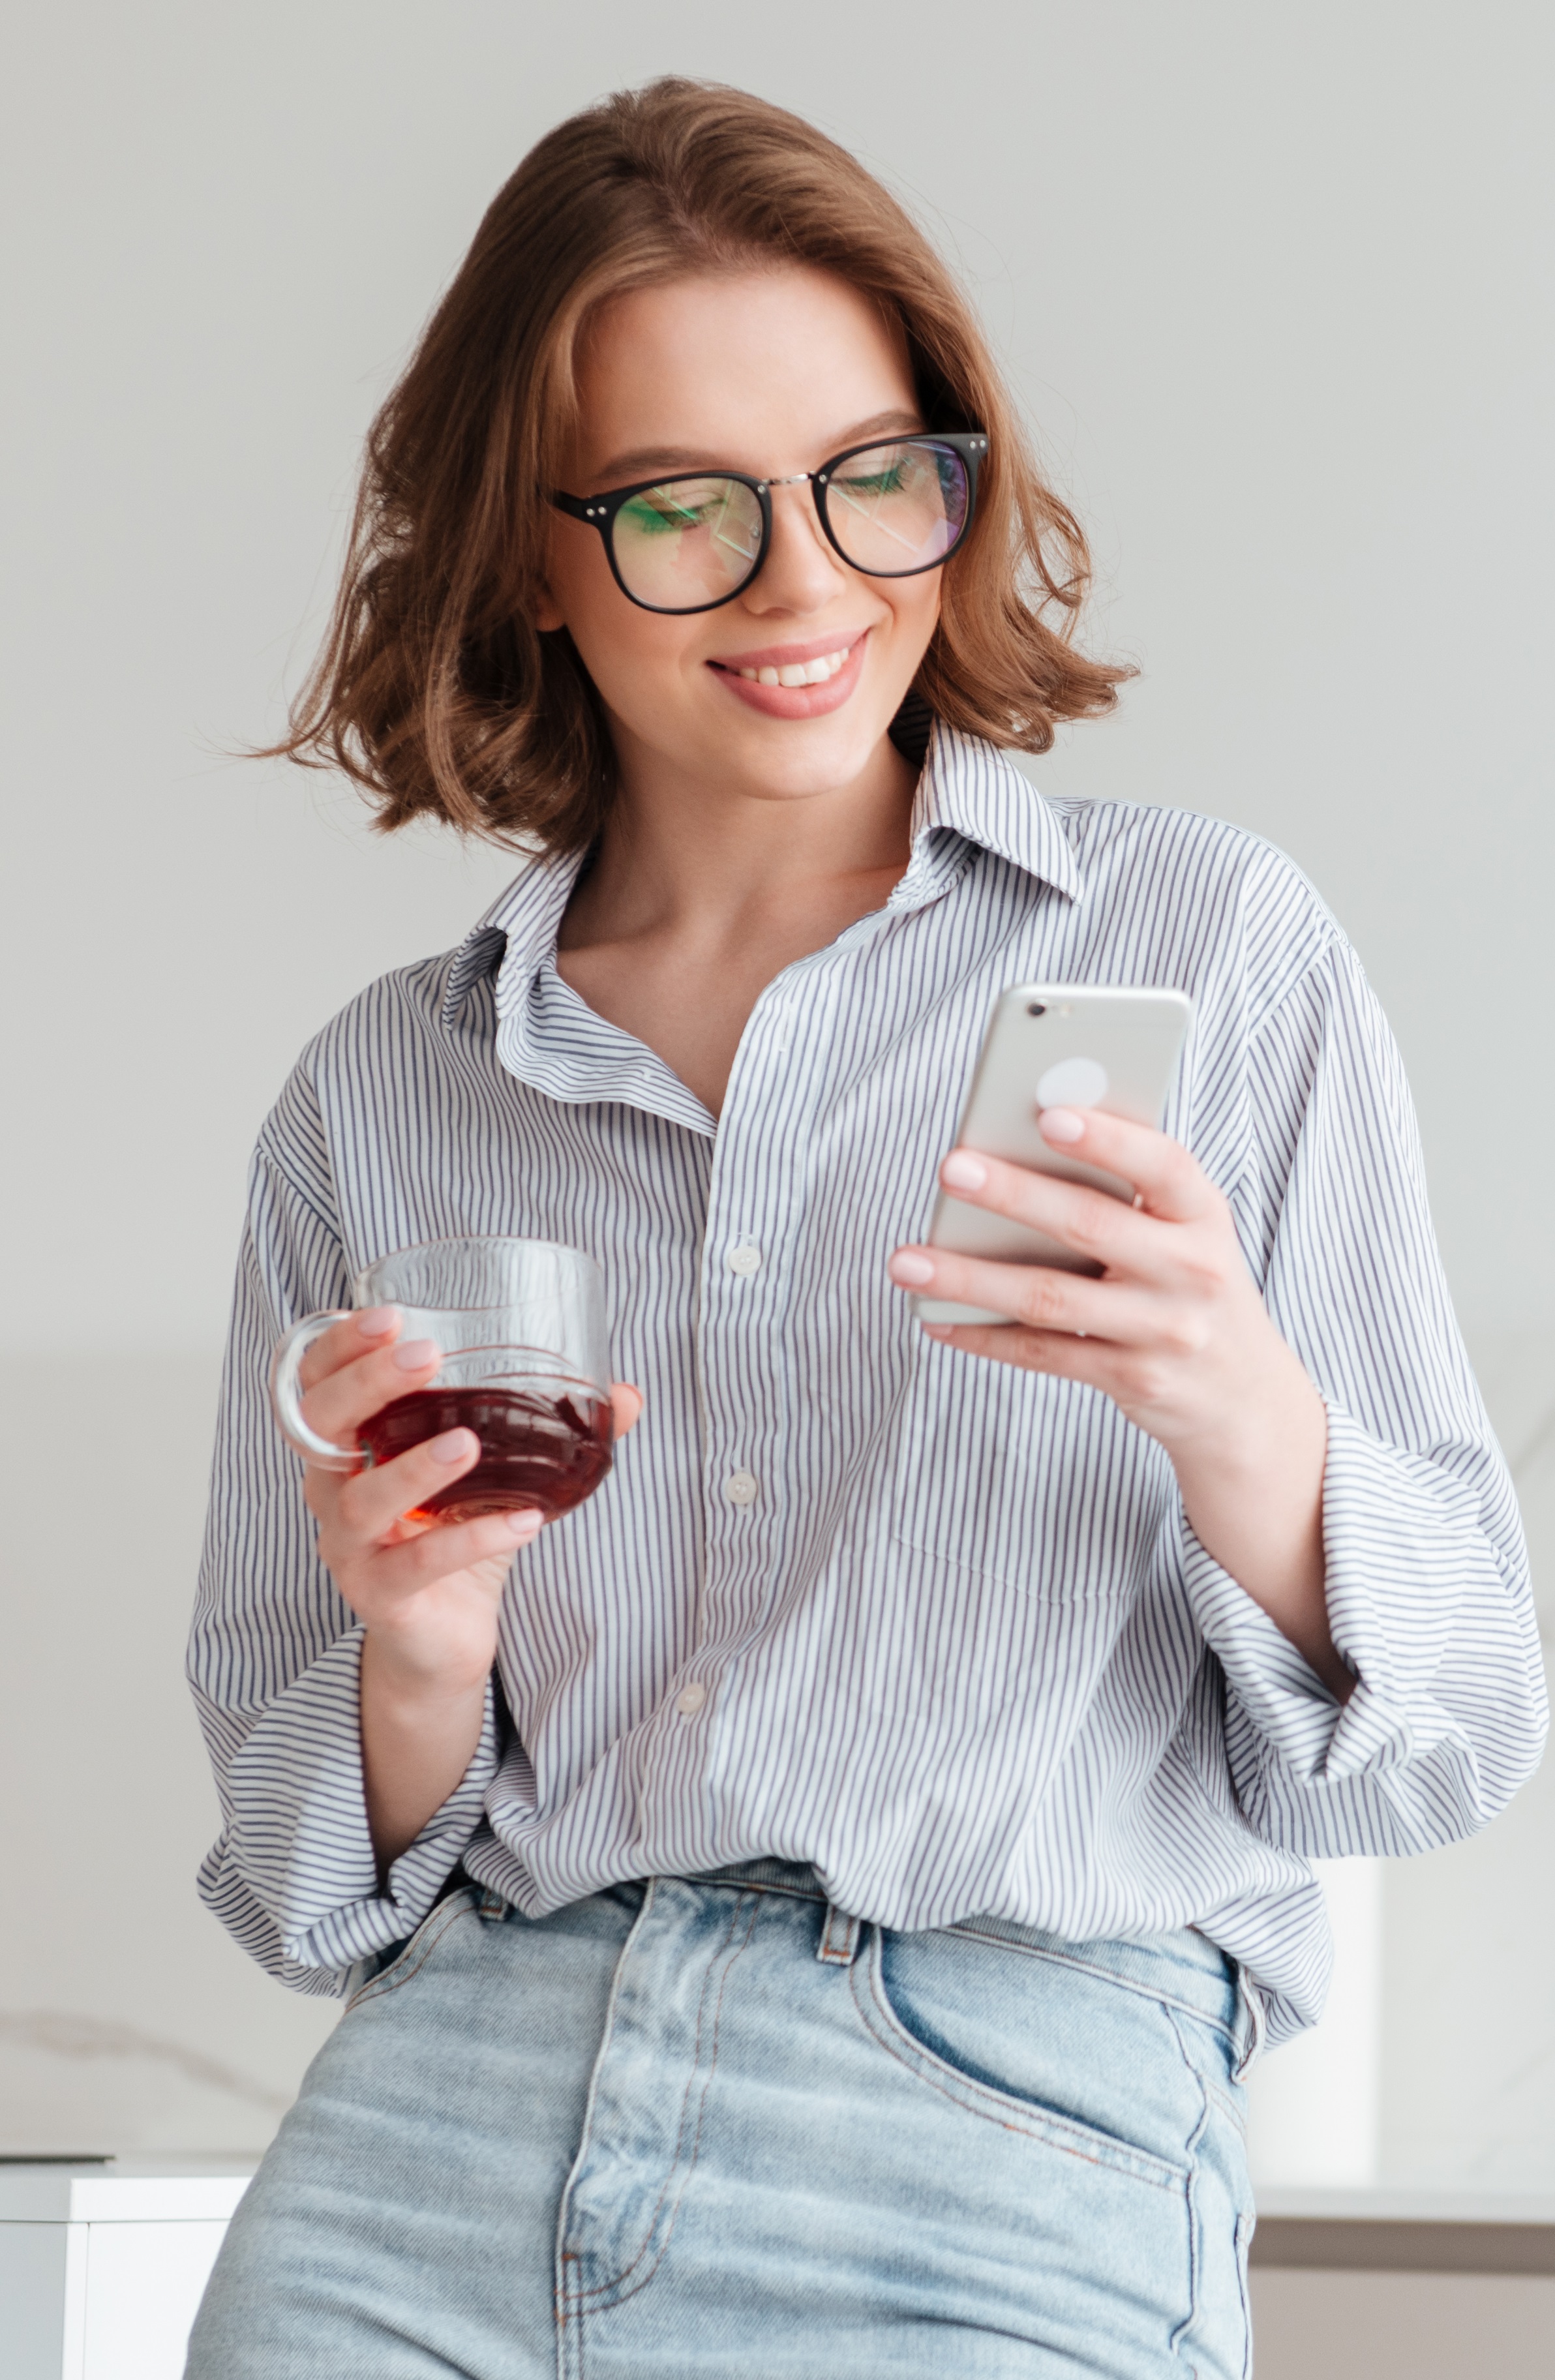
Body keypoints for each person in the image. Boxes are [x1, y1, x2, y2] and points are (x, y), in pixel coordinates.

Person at [185, 76, 1545, 2379]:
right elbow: (309, 1879)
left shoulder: (1221, 951)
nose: (811, 585)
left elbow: (1457, 1734)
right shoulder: (380, 1095)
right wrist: (417, 1645)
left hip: (1002, 2113)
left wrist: (1241, 1416)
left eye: (872, 478)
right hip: (441, 2127)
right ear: (532, 551)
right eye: (688, 512)